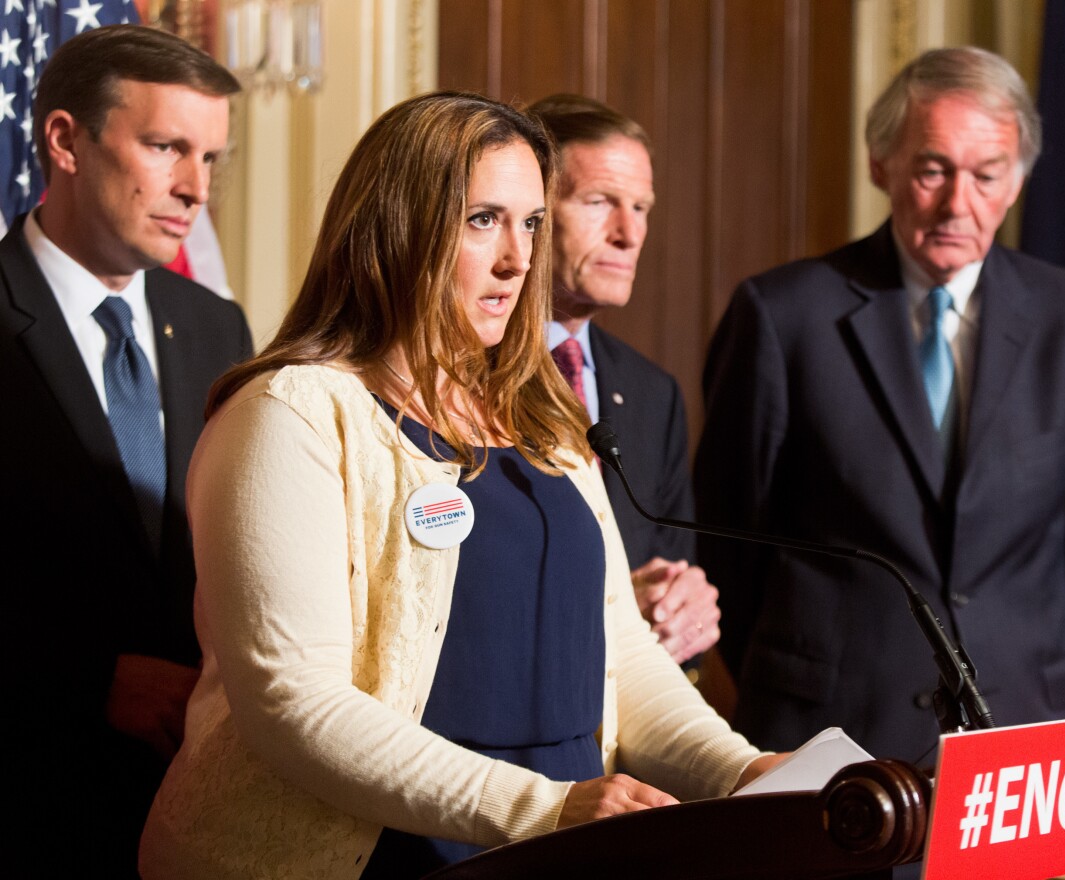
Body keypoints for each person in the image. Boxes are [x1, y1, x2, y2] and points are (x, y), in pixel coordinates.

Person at [139, 91, 780, 879]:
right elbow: (292, 703)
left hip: (561, 848)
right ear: (397, 225)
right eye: (484, 220)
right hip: (381, 858)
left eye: (533, 223)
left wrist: (745, 773)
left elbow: (622, 655)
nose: (518, 259)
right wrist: (543, 808)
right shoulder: (292, 413)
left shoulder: (543, 416)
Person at [695, 46, 1065, 764]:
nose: (959, 204)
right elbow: (727, 538)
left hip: (1024, 723)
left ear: (1017, 182)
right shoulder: (781, 315)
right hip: (830, 728)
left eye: (987, 175)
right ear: (880, 165)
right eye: (933, 170)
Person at [0, 24, 251, 877]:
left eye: (211, 158)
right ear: (66, 140)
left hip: (196, 807)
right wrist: (86, 681)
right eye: (166, 147)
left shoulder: (219, 326)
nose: (194, 188)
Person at [528, 93, 720, 666]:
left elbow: (668, 566)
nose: (629, 233)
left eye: (641, 208)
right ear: (532, 210)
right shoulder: (458, 371)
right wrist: (610, 611)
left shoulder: (652, 393)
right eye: (600, 202)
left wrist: (685, 609)